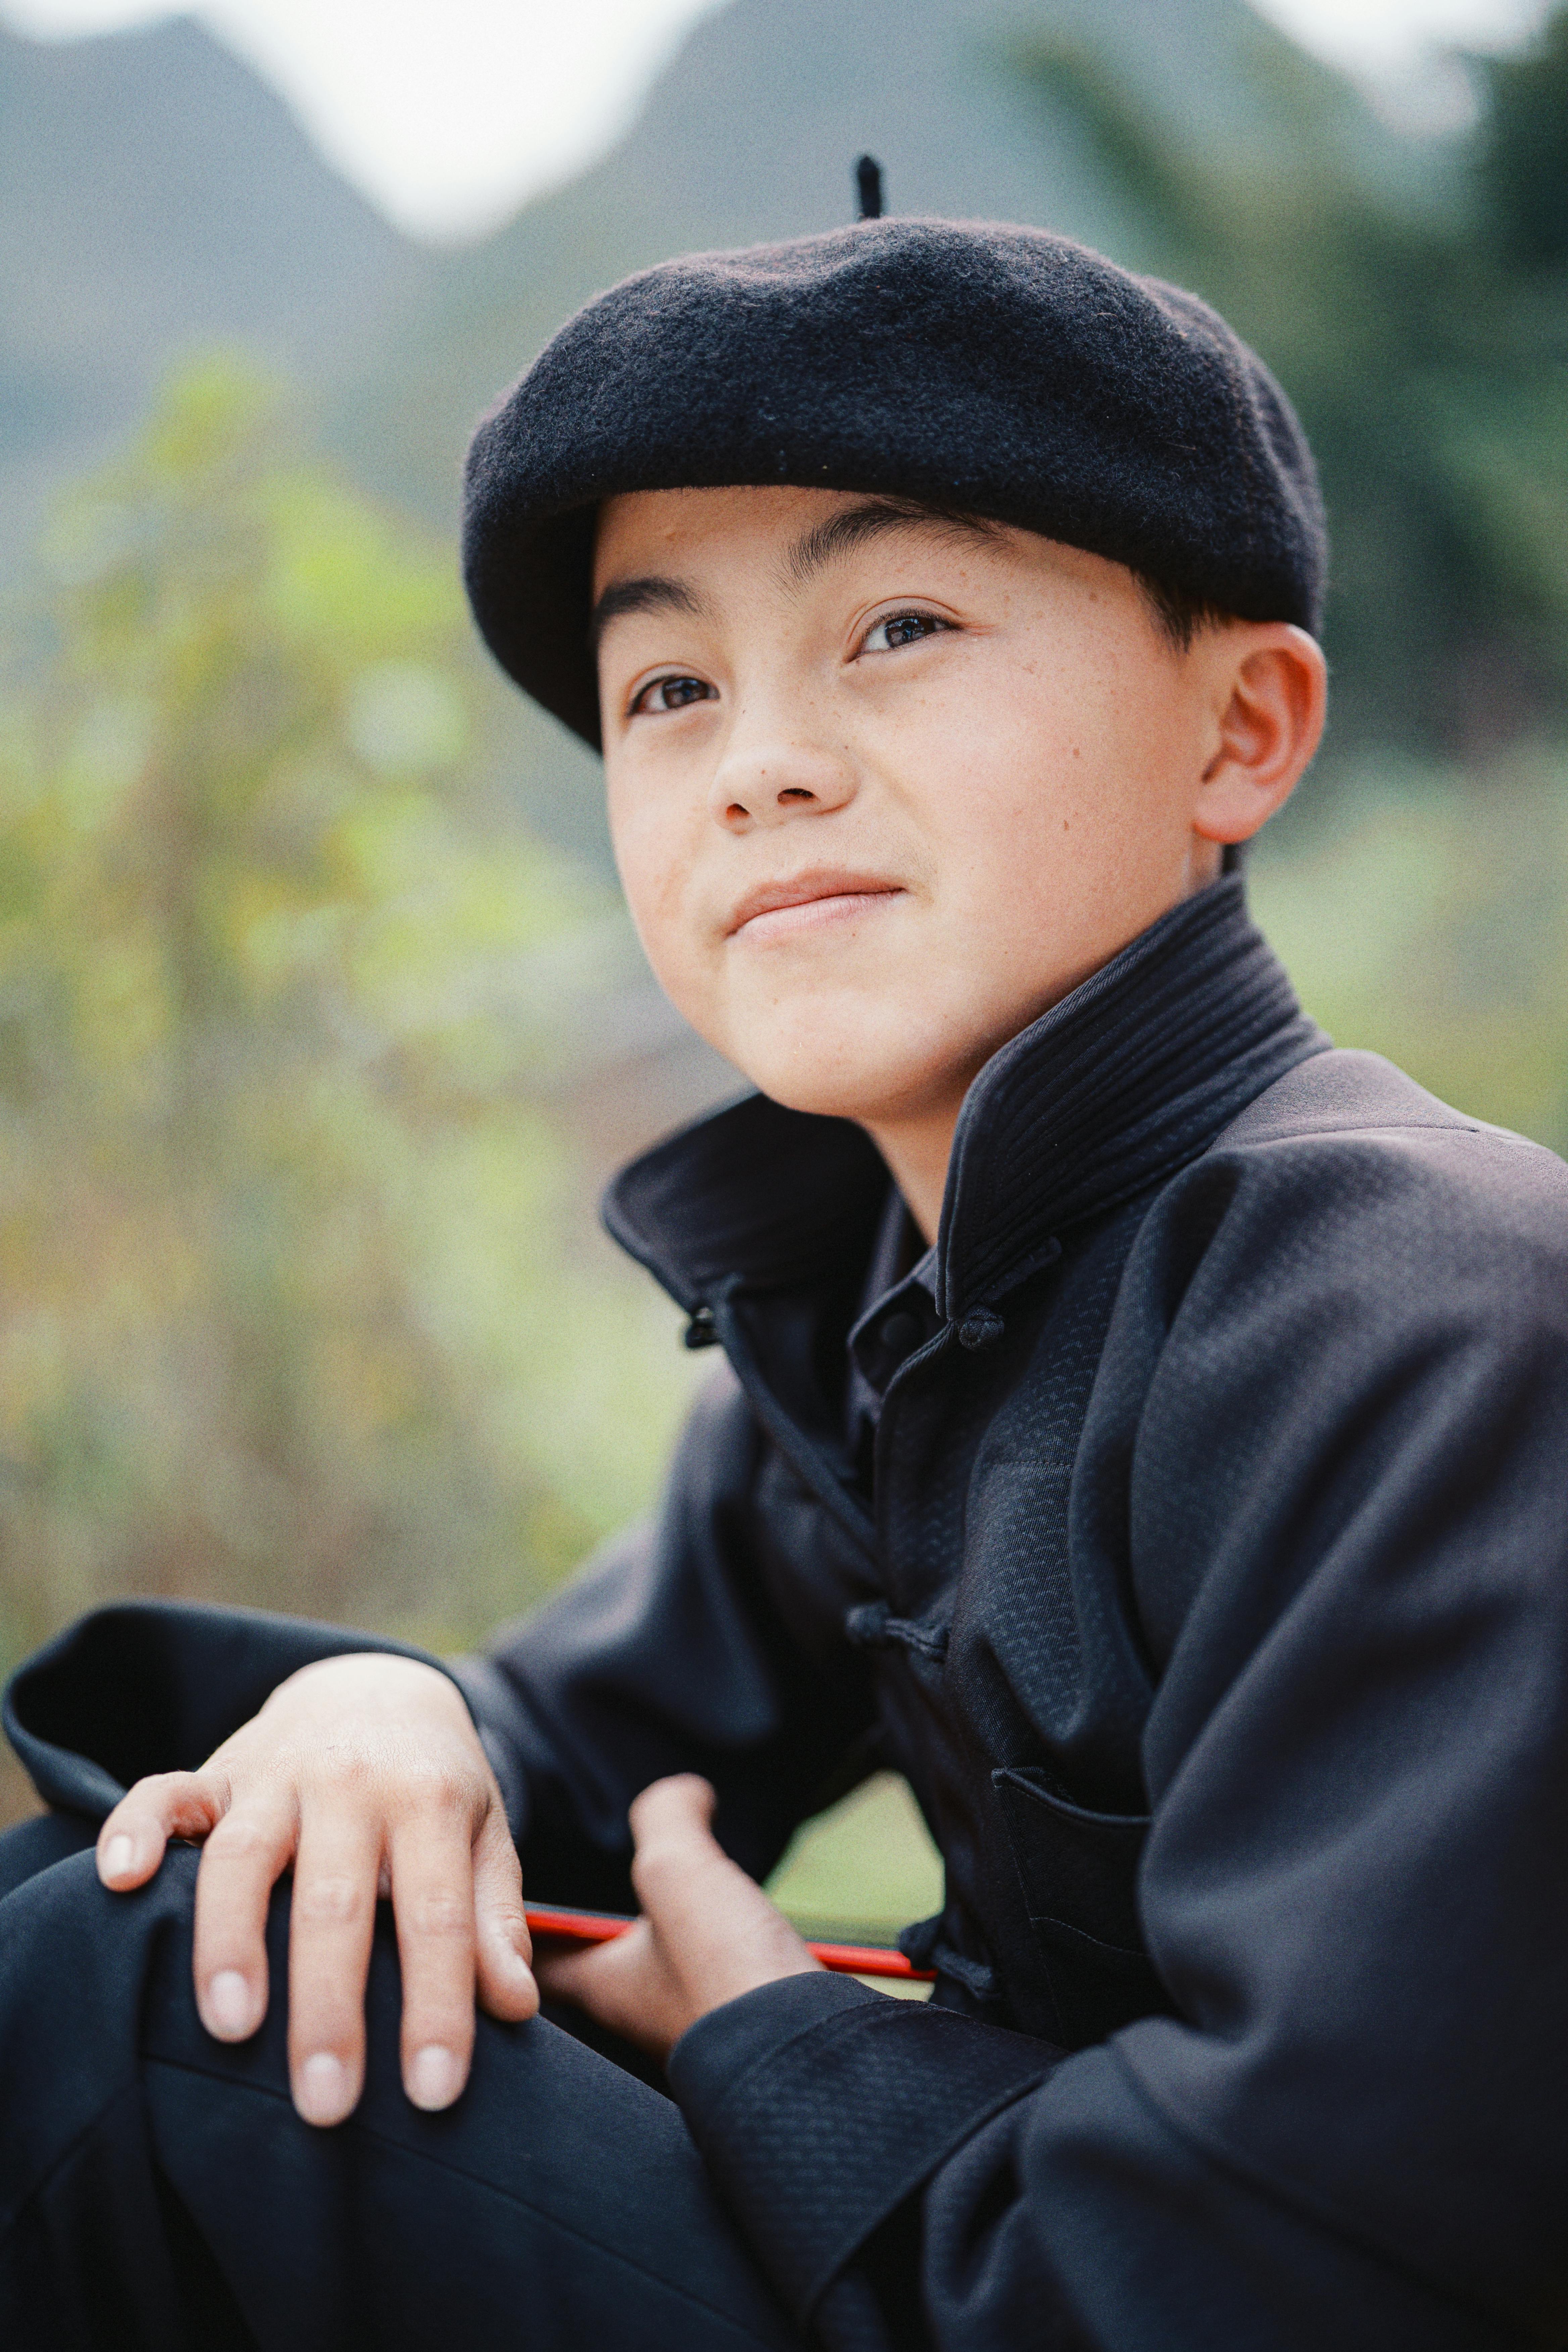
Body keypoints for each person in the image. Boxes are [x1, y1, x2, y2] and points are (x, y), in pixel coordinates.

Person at [3, 217, 1567, 2352]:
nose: (762, 761)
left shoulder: (1415, 1319)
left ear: (1242, 728)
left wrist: (759, 2032)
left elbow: (1292, 2272)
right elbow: (555, 1756)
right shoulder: (886, 1308)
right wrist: (390, 1709)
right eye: (669, 687)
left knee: (145, 2021)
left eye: (900, 624)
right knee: (186, 1896)